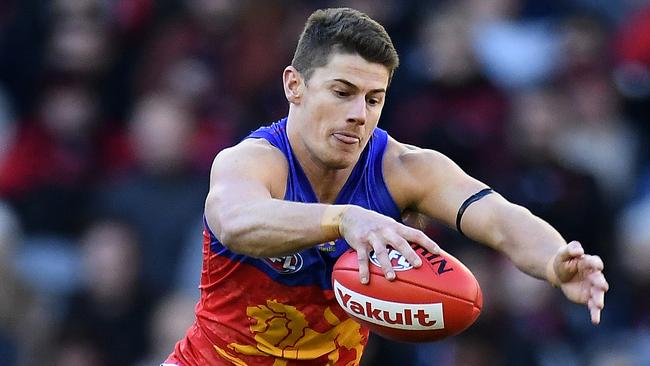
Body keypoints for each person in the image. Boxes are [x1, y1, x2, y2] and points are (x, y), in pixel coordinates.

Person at [163, 7, 609, 366]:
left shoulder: (405, 170)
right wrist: (342, 219)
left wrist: (554, 261)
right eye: (342, 92)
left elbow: (498, 217)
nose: (359, 113)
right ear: (294, 85)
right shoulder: (254, 160)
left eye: (373, 99)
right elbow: (235, 221)